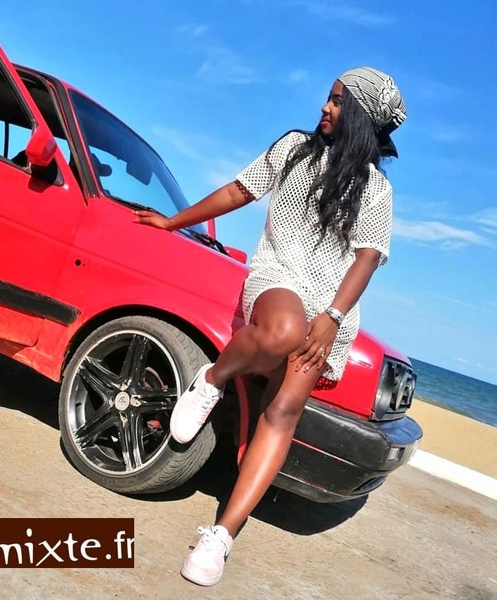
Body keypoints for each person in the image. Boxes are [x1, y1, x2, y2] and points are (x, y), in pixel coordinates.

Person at [135, 66, 407, 587]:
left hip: (330, 305)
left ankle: (221, 536)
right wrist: (173, 222)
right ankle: (212, 380)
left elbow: (367, 257)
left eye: (337, 101)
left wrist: (332, 318)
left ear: (360, 115)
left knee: (282, 412)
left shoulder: (376, 189)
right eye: (328, 98)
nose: (325, 107)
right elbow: (240, 191)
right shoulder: (295, 150)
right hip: (279, 275)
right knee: (283, 331)